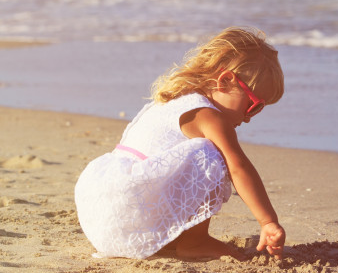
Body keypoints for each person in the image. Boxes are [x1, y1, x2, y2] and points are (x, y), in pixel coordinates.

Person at [74, 27, 286, 260]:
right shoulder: (209, 116)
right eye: (253, 105)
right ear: (225, 81)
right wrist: (268, 221)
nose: (248, 117)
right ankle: (195, 243)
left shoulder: (175, 99)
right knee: (212, 154)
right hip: (127, 212)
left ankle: (174, 238)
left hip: (104, 216)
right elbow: (239, 167)